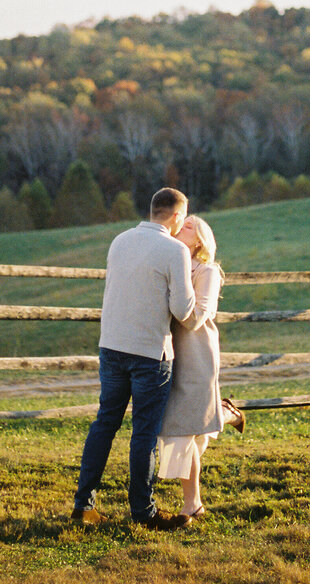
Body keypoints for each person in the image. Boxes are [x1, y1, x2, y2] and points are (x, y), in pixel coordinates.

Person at [71, 187, 197, 530]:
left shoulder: (120, 240)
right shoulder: (175, 251)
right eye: (182, 217)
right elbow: (182, 310)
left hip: (111, 346)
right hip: (149, 352)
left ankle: (84, 505)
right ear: (175, 216)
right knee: (144, 433)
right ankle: (144, 511)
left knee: (104, 424)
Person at [157, 214, 246, 519]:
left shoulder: (206, 270)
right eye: (182, 223)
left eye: (191, 226)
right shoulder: (168, 261)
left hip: (196, 351)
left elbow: (198, 315)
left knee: (184, 428)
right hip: (165, 350)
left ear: (200, 240)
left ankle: (192, 504)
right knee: (186, 429)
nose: (183, 226)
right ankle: (224, 414)